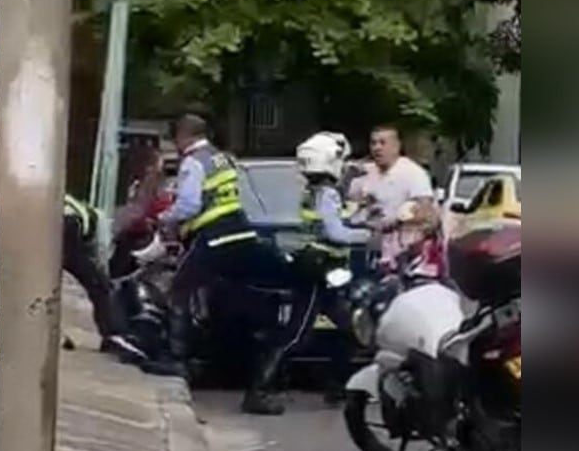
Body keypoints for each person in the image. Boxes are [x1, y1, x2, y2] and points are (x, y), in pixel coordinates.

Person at [153, 114, 304, 415]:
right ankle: (256, 384)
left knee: (178, 292)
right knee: (250, 302)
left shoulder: (194, 162)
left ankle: (175, 361)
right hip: (241, 234)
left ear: (183, 136)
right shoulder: (224, 159)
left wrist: (162, 217)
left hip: (212, 237)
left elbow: (190, 205)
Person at [296, 132, 374, 403]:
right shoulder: (326, 193)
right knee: (343, 328)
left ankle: (334, 385)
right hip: (323, 270)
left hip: (316, 268)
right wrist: (366, 234)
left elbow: (332, 218)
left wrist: (356, 211)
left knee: (339, 328)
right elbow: (335, 233)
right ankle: (335, 385)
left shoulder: (312, 190)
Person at [60, 193, 138, 358]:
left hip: (58, 222)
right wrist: (103, 276)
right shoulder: (100, 223)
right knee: (99, 286)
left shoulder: (75, 206)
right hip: (67, 224)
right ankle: (112, 335)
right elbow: (100, 255)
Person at [362, 125, 439, 270]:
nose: (377, 148)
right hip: (370, 254)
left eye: (383, 143)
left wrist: (397, 220)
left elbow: (428, 215)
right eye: (373, 143)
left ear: (396, 146)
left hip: (404, 258)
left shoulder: (413, 174)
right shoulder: (367, 173)